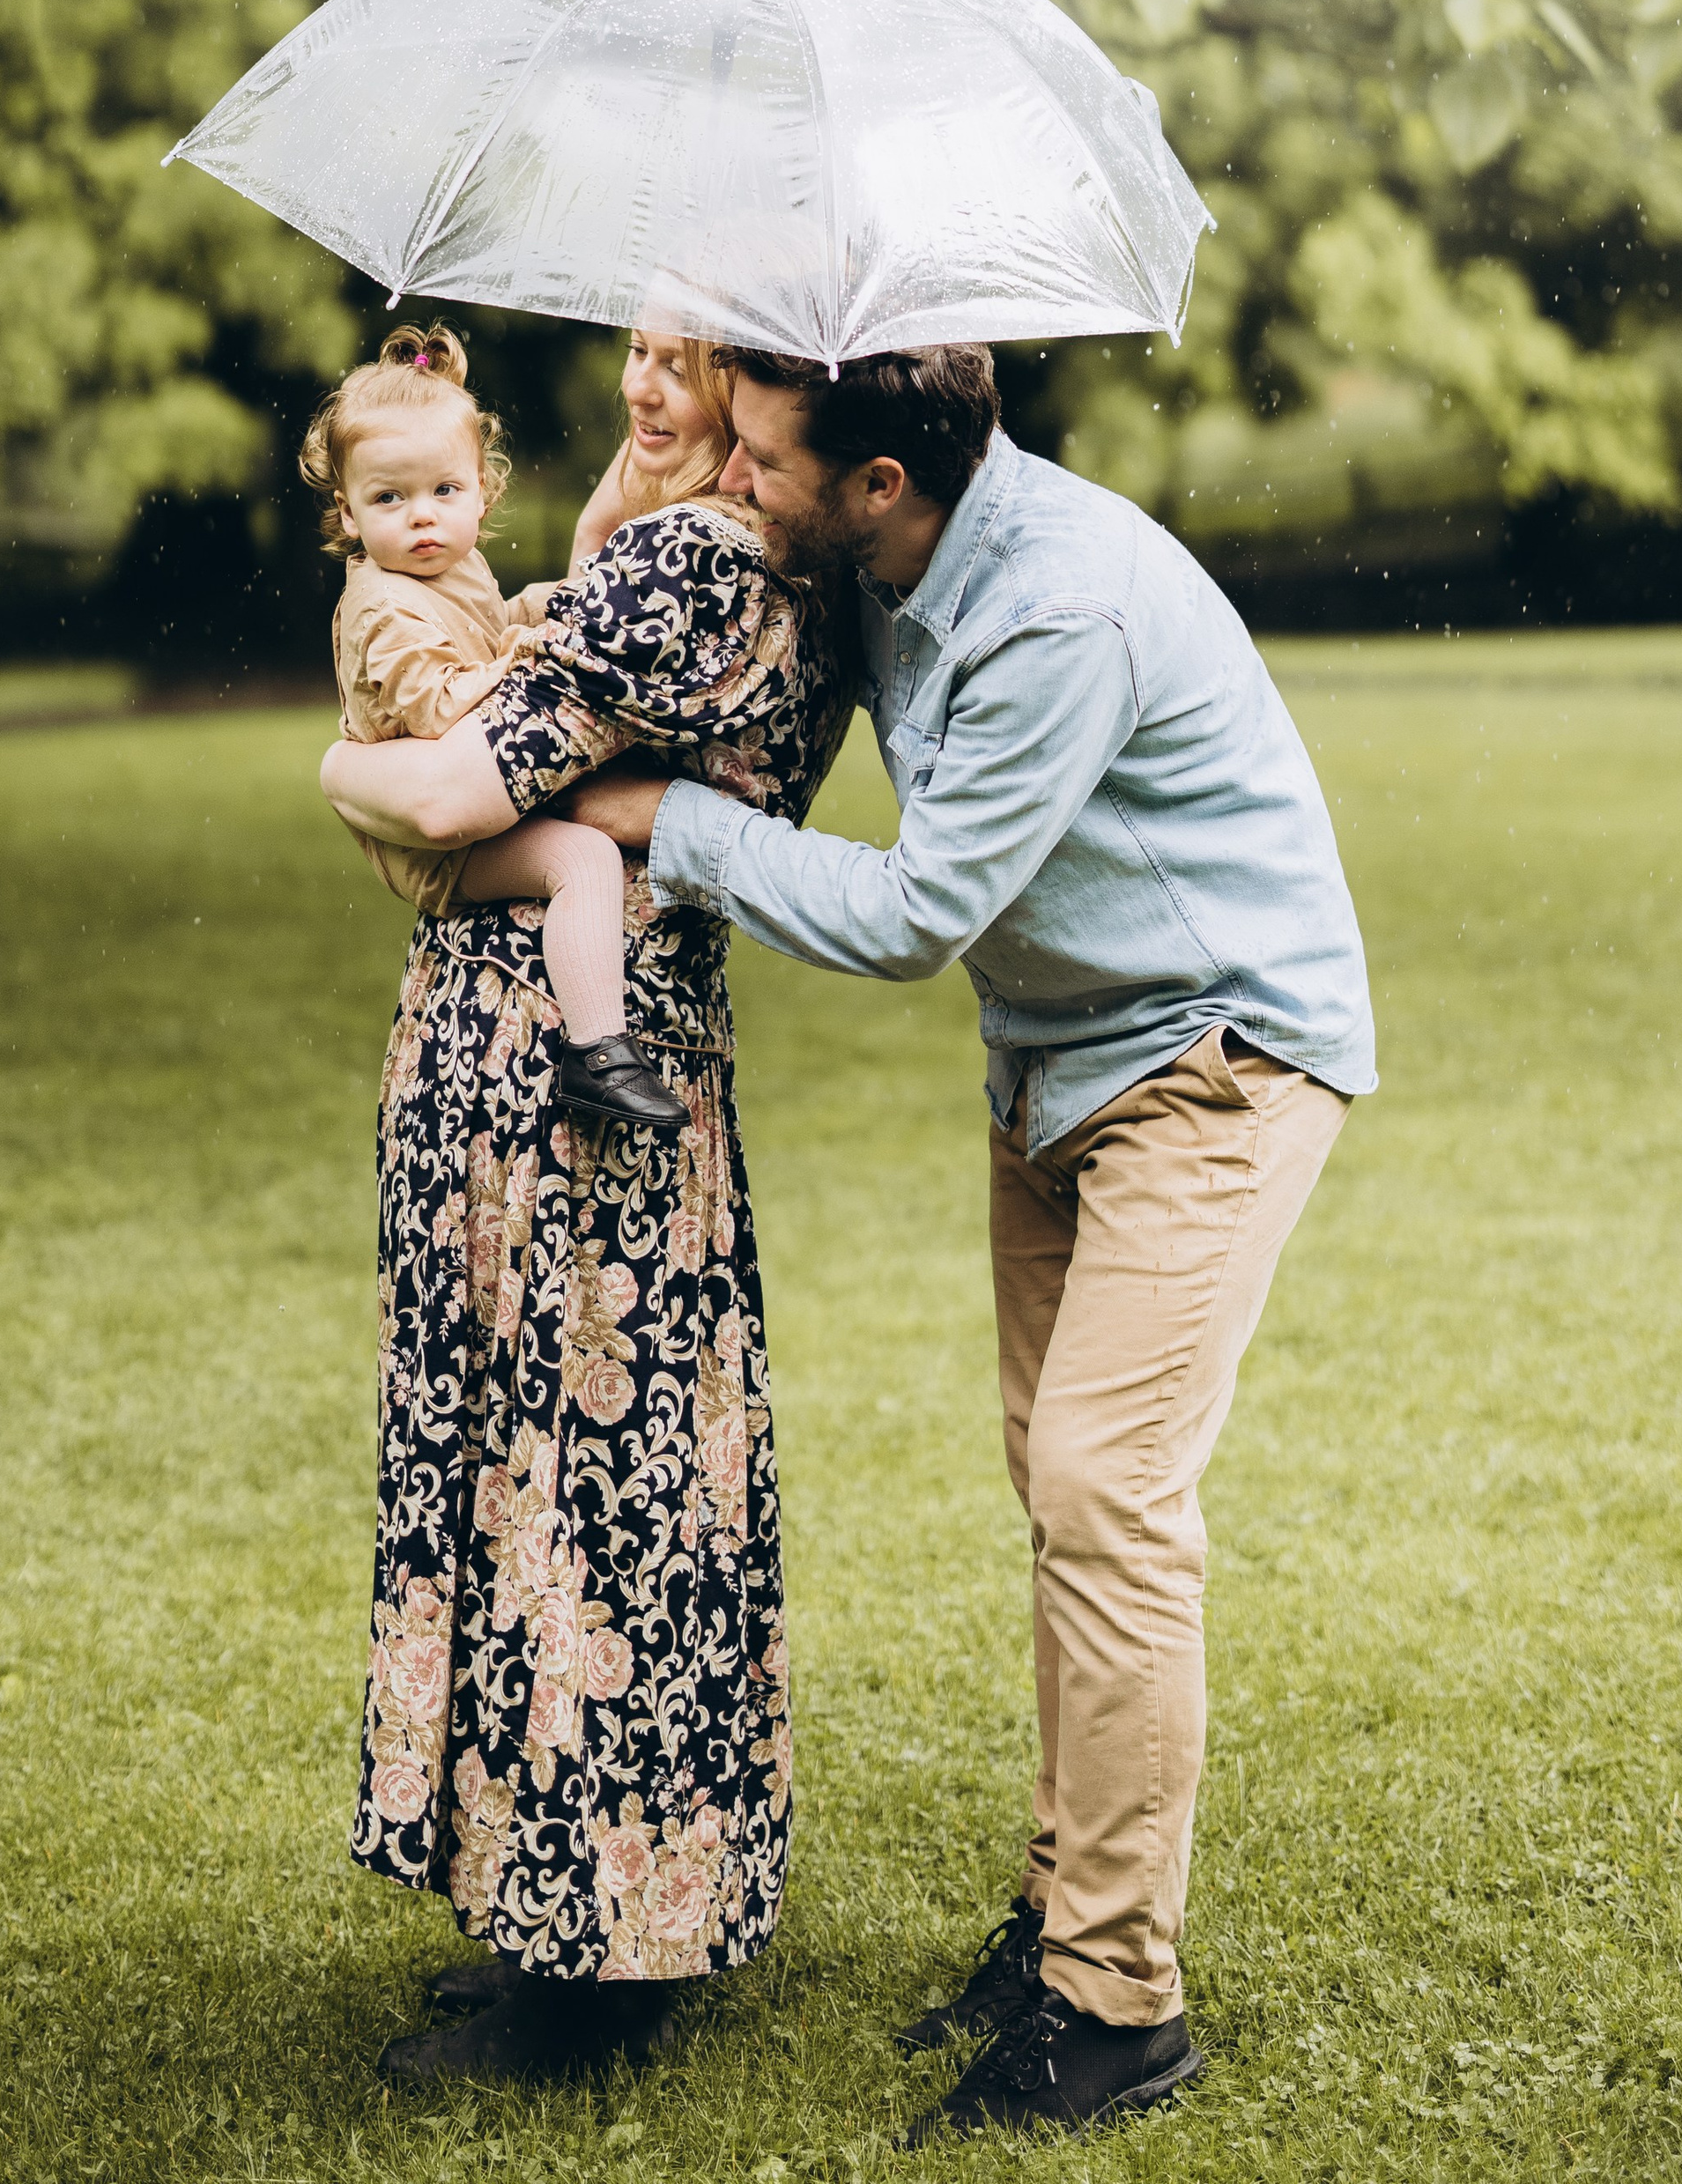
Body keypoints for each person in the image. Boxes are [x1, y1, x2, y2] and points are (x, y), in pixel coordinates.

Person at [557, 342, 1376, 2146]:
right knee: (1055, 1483)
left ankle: (1112, 2003)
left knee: (1104, 1488)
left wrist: (666, 826)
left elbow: (922, 908)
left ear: (875, 483)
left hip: (1211, 1057)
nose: (738, 480)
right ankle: (1055, 1914)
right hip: (1056, 1064)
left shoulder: (1055, 610)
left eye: (764, 458)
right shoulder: (872, 552)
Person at [317, 330, 854, 2085]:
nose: (641, 381)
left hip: (544, 1063)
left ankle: (580, 1947)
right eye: (634, 341)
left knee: (562, 1471)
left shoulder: (692, 568)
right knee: (615, 1469)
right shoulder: (767, 557)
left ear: (764, 391)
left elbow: (461, 781)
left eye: (684, 359)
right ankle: (576, 1911)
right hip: (626, 1036)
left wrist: (342, 778)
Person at [301, 322, 678, 1133]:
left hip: (464, 799)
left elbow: (477, 636)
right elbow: (439, 705)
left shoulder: (446, 565)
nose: (423, 519)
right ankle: (598, 1050)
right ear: (349, 510)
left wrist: (529, 611)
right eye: (388, 499)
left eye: (445, 492)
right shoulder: (383, 605)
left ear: (483, 491)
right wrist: (518, 655)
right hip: (435, 843)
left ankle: (597, 1038)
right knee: (582, 856)